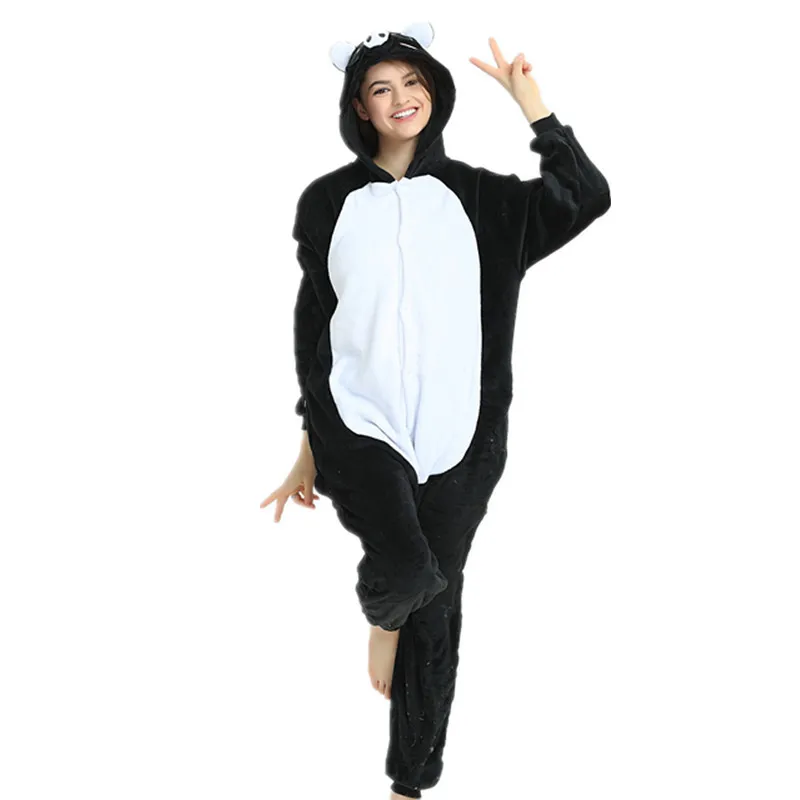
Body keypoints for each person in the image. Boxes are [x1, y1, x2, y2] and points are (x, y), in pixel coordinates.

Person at [261, 21, 611, 799]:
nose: (401, 99)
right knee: (408, 575)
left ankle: (410, 785)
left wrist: (534, 108)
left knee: (439, 606)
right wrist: (307, 449)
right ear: (359, 106)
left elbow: (586, 196)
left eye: (413, 83)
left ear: (434, 93)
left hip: (464, 437)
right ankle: (385, 614)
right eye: (381, 88)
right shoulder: (327, 203)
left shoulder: (484, 200)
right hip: (358, 427)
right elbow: (317, 332)